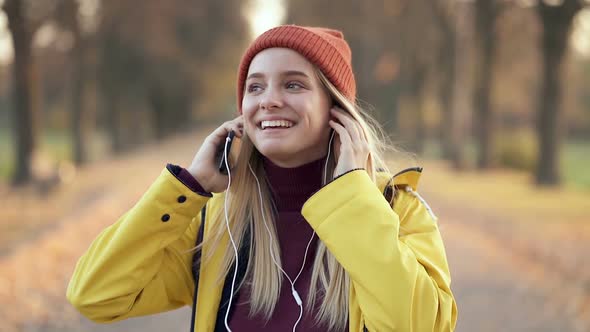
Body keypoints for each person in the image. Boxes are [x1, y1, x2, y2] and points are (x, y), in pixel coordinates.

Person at [67, 25, 458, 332]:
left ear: (336, 110)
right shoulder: (216, 224)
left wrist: (354, 200)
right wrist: (188, 188)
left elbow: (420, 326)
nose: (268, 100)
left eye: (293, 84)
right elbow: (95, 294)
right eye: (255, 87)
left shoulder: (398, 212)